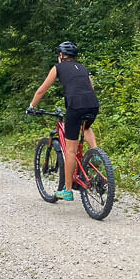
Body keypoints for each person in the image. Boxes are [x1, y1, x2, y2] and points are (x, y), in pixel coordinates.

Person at [27, 41, 99, 201]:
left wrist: (32, 106)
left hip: (75, 106)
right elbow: (91, 88)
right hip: (93, 104)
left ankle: (67, 190)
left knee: (71, 150)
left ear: (61, 56)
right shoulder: (82, 68)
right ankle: (96, 153)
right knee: (86, 127)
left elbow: (42, 90)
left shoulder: (58, 68)